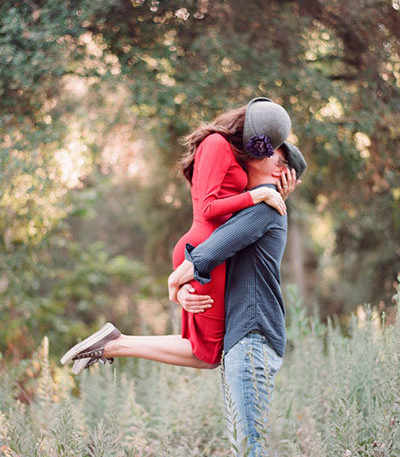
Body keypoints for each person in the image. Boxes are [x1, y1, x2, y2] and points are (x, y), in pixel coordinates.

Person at [60, 98, 293, 374]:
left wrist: (266, 195)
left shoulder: (231, 152)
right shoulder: (216, 144)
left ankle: (114, 343)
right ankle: (114, 344)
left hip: (212, 249)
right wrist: (256, 196)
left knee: (203, 349)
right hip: (205, 247)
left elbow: (240, 220)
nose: (263, 154)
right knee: (207, 353)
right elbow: (207, 209)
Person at [168, 141, 307, 457]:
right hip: (244, 339)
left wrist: (174, 283)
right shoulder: (255, 208)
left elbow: (211, 251)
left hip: (253, 337)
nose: (261, 149)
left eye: (272, 151)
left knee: (251, 449)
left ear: (280, 170)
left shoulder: (265, 210)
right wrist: (184, 293)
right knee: (244, 449)